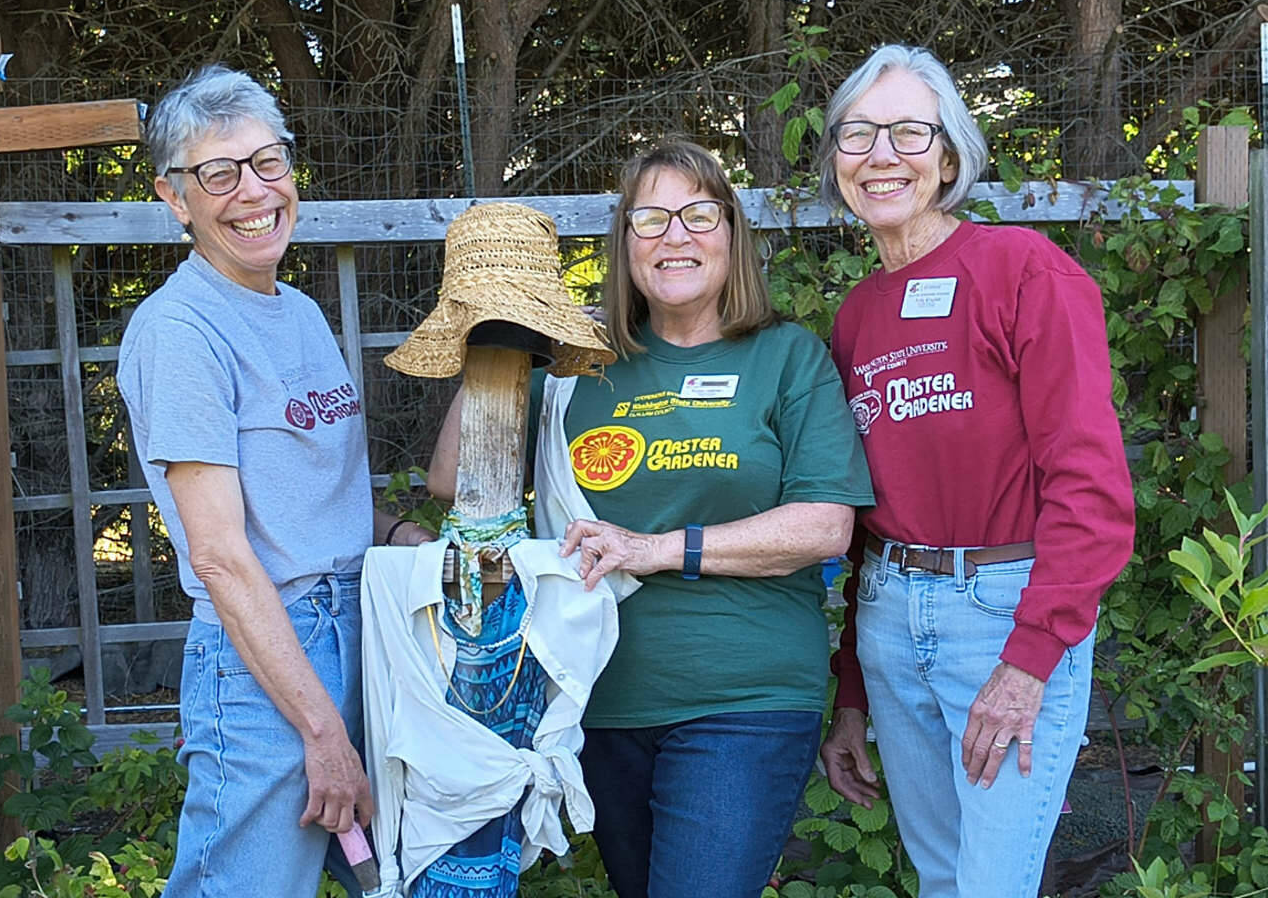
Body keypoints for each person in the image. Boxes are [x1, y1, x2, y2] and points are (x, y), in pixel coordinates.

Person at [427, 140, 874, 898]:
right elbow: (451, 477)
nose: (676, 235)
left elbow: (824, 527)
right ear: (624, 244)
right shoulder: (578, 364)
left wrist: (653, 548)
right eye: (651, 218)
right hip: (596, 697)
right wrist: (504, 326)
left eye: (700, 214)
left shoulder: (786, 358)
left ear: (732, 233)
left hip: (746, 699)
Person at [815, 44, 1135, 898]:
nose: (882, 154)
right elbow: (859, 518)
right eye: (858, 134)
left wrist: (1029, 659)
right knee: (946, 880)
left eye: (909, 131)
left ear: (949, 155)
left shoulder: (1024, 271)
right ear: (836, 160)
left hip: (1002, 615)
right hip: (888, 617)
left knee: (991, 885)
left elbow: (1092, 490)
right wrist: (850, 689)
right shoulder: (855, 317)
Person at [116, 65, 431, 898]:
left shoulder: (296, 311)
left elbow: (311, 494)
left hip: (352, 626)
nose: (252, 191)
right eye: (217, 174)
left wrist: (405, 537)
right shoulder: (181, 332)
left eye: (267, 162)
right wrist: (320, 728)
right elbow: (220, 555)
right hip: (268, 660)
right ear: (175, 199)